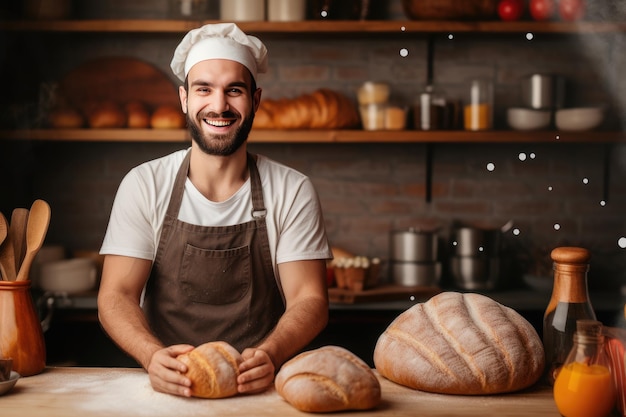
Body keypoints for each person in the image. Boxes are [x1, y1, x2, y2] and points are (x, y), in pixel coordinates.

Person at [97, 22, 332, 398]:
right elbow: (116, 295)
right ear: (184, 99)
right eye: (203, 89)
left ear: (255, 100)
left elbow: (310, 300)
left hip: (259, 390)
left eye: (234, 90)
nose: (219, 105)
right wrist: (151, 356)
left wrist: (271, 355)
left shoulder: (292, 189)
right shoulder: (144, 185)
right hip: (165, 390)